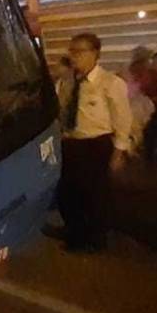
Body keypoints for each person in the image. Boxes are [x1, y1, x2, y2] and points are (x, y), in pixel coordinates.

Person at [56, 33, 133, 252]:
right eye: (72, 51)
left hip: (96, 145)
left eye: (80, 51)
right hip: (70, 144)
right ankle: (74, 232)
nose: (75, 56)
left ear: (95, 54)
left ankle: (95, 239)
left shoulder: (111, 83)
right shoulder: (67, 82)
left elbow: (123, 118)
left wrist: (119, 152)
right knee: (68, 192)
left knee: (95, 195)